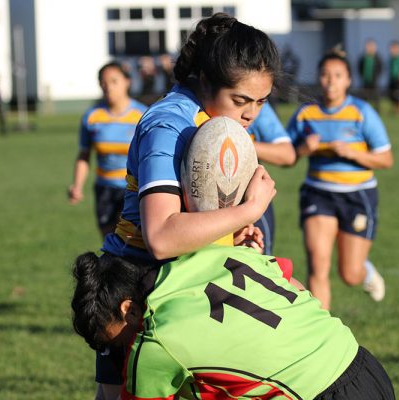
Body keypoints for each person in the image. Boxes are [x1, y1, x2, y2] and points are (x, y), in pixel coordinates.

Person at [97, 12, 279, 399]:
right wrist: (248, 210)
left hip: (186, 281)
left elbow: (199, 212)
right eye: (241, 100)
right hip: (137, 289)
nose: (250, 114)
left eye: (261, 102)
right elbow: (162, 236)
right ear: (206, 81)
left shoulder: (219, 119)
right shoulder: (170, 125)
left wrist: (234, 236)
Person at [71, 245, 396, 399]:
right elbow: (291, 280)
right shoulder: (215, 256)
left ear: (129, 310)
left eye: (119, 342)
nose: (125, 353)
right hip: (361, 364)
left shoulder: (153, 343)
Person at [286, 50, 394, 311]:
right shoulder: (306, 114)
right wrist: (302, 149)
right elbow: (286, 155)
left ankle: (365, 272)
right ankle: (322, 336)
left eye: (337, 76)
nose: (330, 81)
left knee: (350, 274)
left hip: (357, 196)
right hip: (318, 194)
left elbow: (386, 159)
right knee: (318, 264)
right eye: (324, 75)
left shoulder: (361, 113)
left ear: (348, 80)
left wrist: (352, 153)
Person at [68, 62, 147, 238]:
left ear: (127, 82)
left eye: (114, 81)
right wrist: (77, 186)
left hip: (133, 188)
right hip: (104, 190)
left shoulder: (142, 115)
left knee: (130, 242)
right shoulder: (92, 117)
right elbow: (84, 155)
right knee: (109, 242)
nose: (108, 87)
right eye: (103, 83)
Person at [248, 103, 296, 255]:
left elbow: (287, 154)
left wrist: (239, 142)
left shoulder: (253, 103)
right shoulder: (185, 107)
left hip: (250, 200)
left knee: (258, 270)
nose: (248, 114)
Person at [358, 38, 383, 113]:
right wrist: (362, 76)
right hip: (365, 80)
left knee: (375, 96)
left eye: (371, 46)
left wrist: (376, 77)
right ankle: (363, 109)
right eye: (368, 46)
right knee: (364, 96)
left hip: (374, 81)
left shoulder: (377, 58)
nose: (369, 48)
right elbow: (359, 67)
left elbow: (380, 68)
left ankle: (377, 110)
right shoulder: (363, 57)